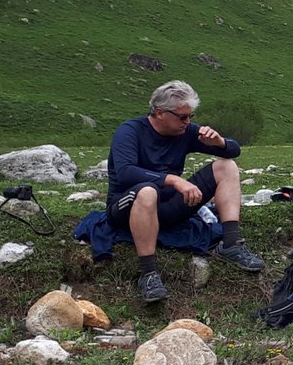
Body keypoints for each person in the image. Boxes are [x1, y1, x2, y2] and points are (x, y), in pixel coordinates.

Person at [106, 80, 264, 302]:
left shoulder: (185, 132)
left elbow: (234, 150)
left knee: (226, 166)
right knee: (147, 192)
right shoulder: (130, 131)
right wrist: (173, 180)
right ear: (160, 113)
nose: (188, 122)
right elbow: (125, 173)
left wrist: (219, 142)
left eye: (191, 116)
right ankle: (148, 273)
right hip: (127, 207)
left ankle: (231, 243)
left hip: (169, 207)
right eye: (182, 117)